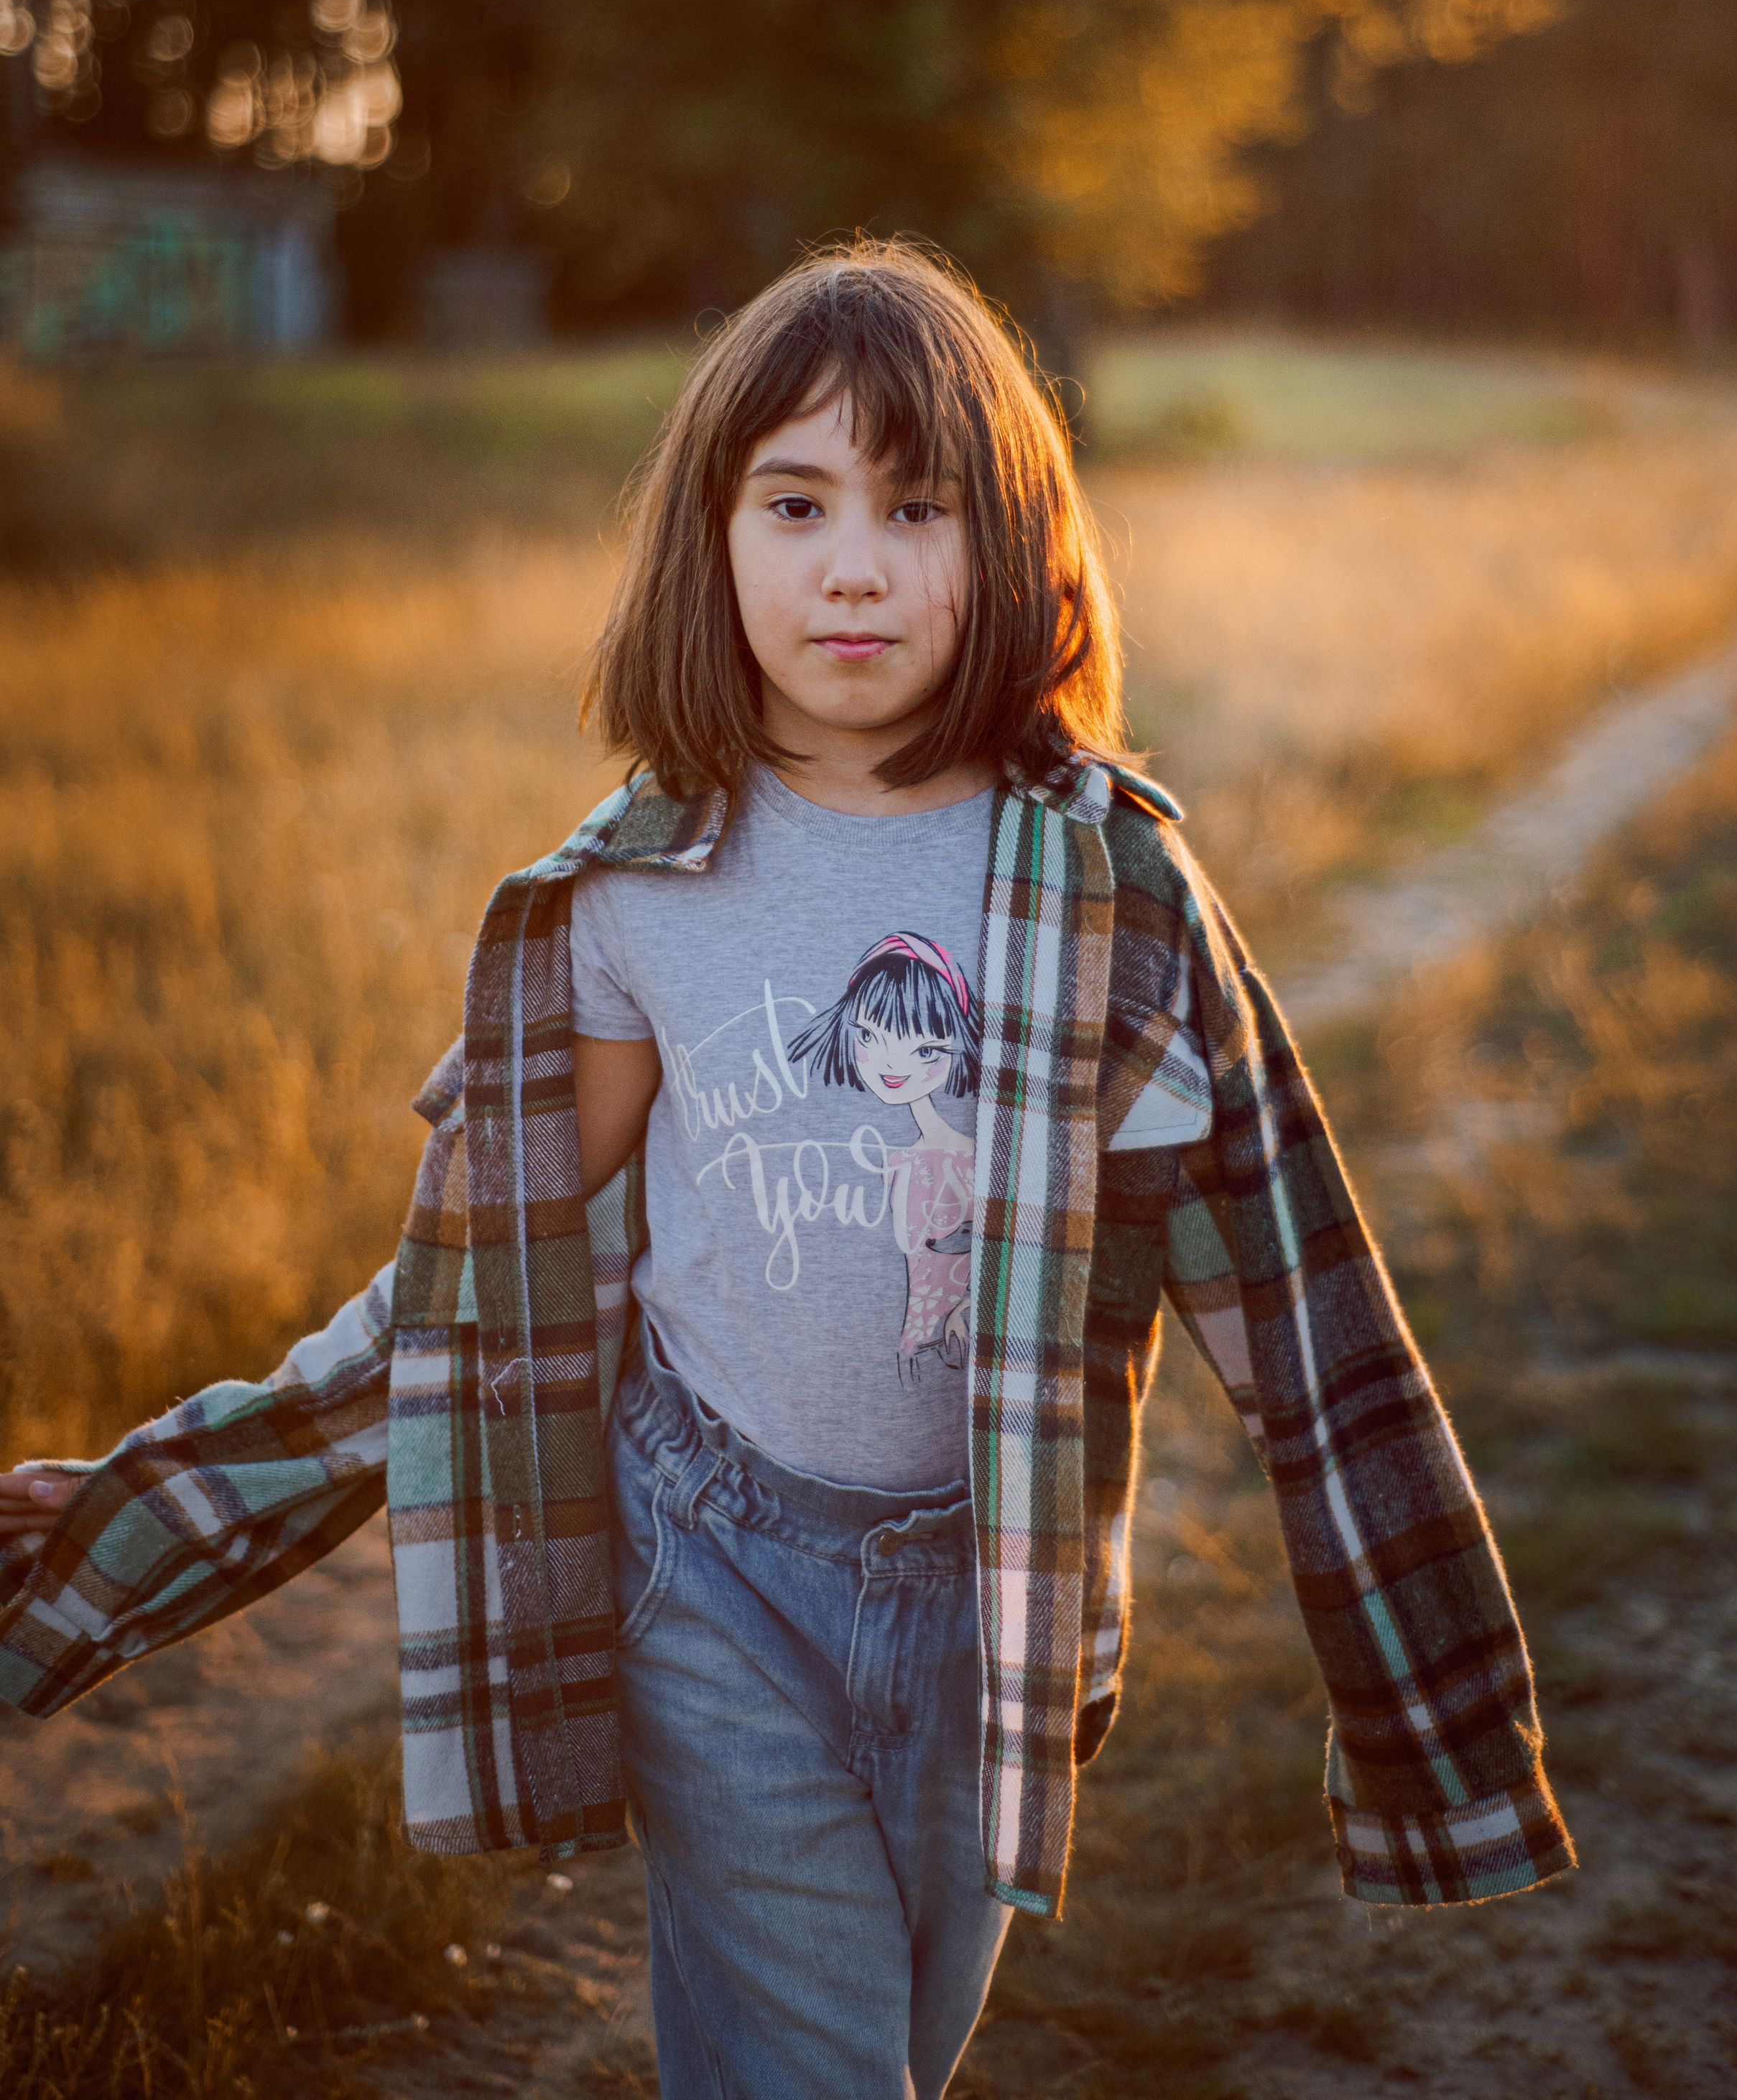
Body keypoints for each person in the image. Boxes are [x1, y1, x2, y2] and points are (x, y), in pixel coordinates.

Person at [0, 245, 1574, 2099]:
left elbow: (1306, 1322)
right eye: (799, 501)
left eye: (919, 507)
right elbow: (470, 1298)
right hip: (709, 1569)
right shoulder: (635, 892)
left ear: (1011, 543)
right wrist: (131, 1502)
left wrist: (1426, 1713)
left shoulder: (1105, 894)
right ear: (713, 534)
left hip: (994, 1590)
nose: (853, 563)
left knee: (882, 2048)